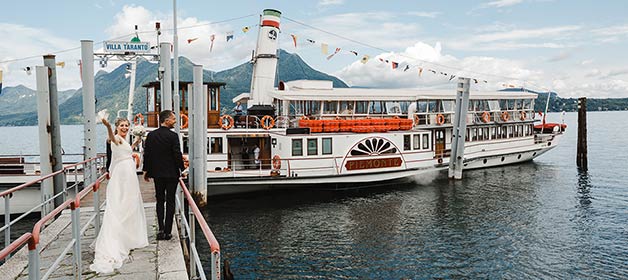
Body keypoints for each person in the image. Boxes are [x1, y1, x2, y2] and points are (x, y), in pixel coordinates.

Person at [90, 118, 148, 274]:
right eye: (122, 125)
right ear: (117, 127)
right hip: (122, 175)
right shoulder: (114, 138)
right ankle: (118, 238)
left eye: (127, 125)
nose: (125, 127)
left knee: (130, 203)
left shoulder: (124, 141)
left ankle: (128, 235)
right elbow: (112, 137)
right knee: (120, 204)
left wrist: (137, 140)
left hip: (129, 174)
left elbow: (128, 149)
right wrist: (108, 126)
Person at [142, 110, 185, 241]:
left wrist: (146, 170)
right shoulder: (173, 136)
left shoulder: (151, 135)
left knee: (159, 200)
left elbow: (147, 154)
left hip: (157, 174)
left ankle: (160, 230)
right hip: (171, 173)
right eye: (173, 119)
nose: (175, 121)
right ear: (166, 120)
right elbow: (177, 154)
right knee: (170, 201)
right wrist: (182, 169)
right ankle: (167, 231)